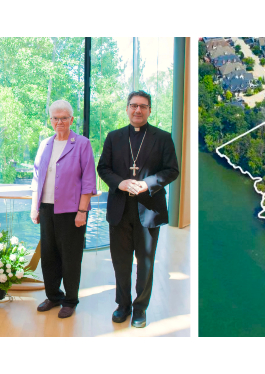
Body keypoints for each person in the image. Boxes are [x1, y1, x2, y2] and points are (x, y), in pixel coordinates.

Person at [96, 90, 178, 328]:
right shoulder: (114, 137)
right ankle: (123, 305)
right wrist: (120, 182)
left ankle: (140, 308)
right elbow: (103, 168)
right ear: (127, 109)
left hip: (149, 209)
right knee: (120, 262)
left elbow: (172, 170)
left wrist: (146, 183)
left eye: (143, 106)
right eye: (133, 106)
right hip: (119, 209)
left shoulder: (162, 138)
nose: (138, 110)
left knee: (145, 263)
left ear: (150, 110)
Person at [32, 100, 96, 319]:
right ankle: (53, 295)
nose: (59, 122)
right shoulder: (44, 145)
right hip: (47, 208)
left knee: (70, 256)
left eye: (64, 118)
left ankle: (70, 300)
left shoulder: (82, 144)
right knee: (48, 255)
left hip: (71, 210)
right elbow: (36, 178)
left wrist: (82, 211)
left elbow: (89, 180)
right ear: (50, 120)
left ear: (71, 119)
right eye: (55, 118)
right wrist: (35, 207)